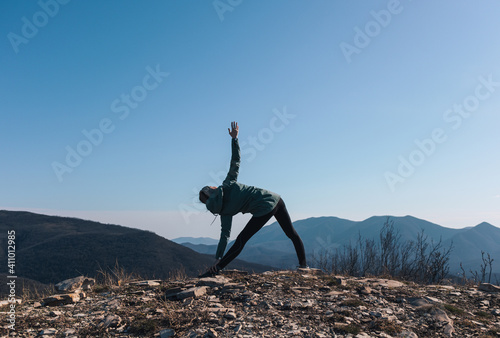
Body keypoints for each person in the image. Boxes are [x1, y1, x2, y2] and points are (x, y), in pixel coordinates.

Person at [198, 121, 307, 278]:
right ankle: (304, 266)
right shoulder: (227, 185)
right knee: (291, 233)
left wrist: (218, 258)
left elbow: (225, 236)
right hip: (275, 198)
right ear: (212, 190)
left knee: (241, 240)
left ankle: (216, 269)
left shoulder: (223, 211)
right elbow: (235, 161)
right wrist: (234, 139)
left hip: (264, 208)